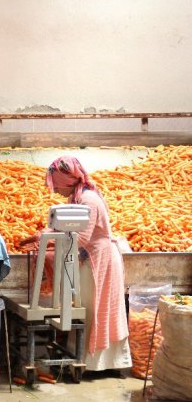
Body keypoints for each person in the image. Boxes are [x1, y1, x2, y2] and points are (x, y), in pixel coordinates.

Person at [36, 155, 131, 373]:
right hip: (88, 259)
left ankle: (96, 363)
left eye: (55, 184)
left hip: (99, 261)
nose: (54, 190)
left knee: (94, 309)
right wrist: (47, 235)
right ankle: (83, 359)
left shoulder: (90, 200)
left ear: (67, 179)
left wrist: (48, 241)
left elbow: (81, 238)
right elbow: (67, 229)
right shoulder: (76, 199)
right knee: (87, 308)